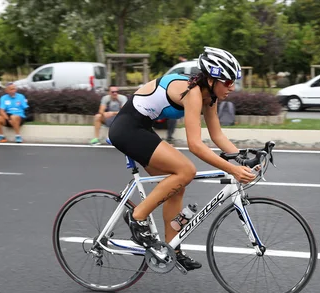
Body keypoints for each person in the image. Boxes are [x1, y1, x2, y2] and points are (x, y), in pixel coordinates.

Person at [108, 46, 255, 271]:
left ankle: (172, 248)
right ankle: (137, 217)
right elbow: (195, 145)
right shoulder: (193, 92)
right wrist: (232, 169)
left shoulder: (210, 97)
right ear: (211, 79)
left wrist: (244, 159)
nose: (231, 87)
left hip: (142, 127)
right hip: (127, 128)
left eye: (233, 81)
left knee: (176, 186)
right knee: (186, 170)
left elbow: (217, 136)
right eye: (227, 81)